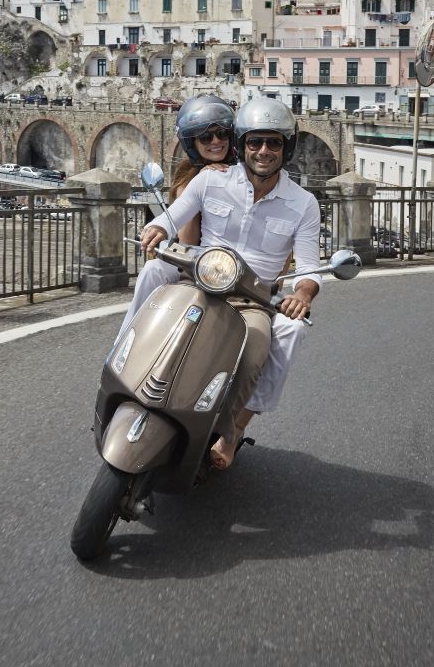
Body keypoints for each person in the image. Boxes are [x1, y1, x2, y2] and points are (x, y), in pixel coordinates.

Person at [137, 97, 322, 471]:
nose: (264, 151)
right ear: (242, 146)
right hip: (200, 281)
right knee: (154, 274)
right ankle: (128, 360)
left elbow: (309, 268)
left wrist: (302, 293)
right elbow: (173, 217)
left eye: (274, 143)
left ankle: (232, 429)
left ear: (287, 148)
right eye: (255, 142)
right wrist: (156, 228)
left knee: (274, 334)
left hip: (253, 300)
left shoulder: (303, 203)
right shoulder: (211, 179)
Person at [113, 95, 235, 340]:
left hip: (236, 265)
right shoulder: (189, 179)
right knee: (153, 270)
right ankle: (126, 341)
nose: (215, 142)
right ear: (192, 143)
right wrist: (203, 183)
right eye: (205, 137)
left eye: (222, 134)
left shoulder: (245, 173)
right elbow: (187, 240)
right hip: (198, 263)